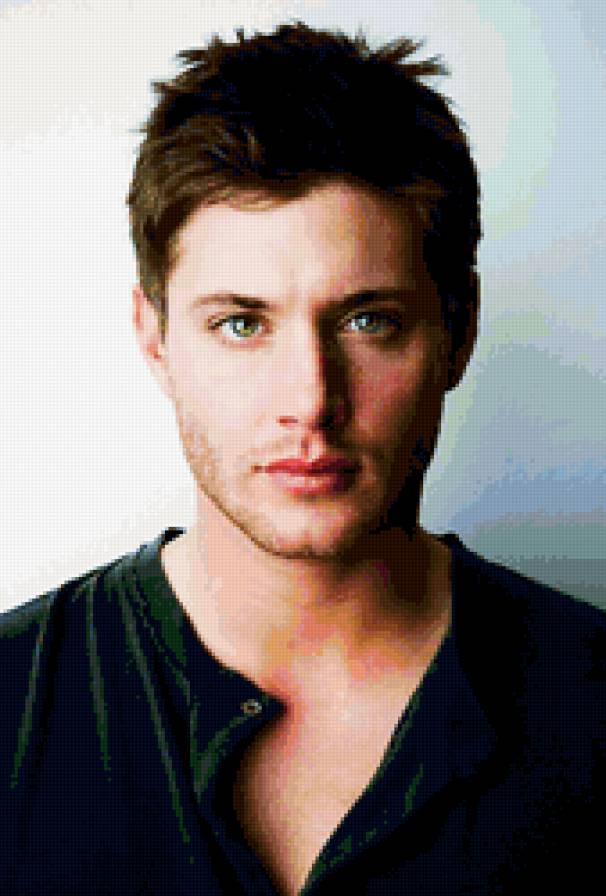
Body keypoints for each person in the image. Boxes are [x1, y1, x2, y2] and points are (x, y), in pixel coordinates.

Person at [1, 20, 604, 896]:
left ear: (459, 330)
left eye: (368, 321)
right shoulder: (12, 700)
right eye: (241, 324)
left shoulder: (592, 701)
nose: (311, 401)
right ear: (155, 338)